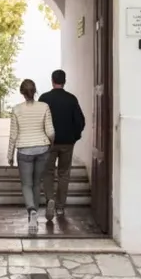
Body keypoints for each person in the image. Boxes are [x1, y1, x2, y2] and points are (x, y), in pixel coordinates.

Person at [7, 79, 55, 235]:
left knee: (26, 184)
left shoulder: (16, 109)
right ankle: (36, 211)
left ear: (22, 93)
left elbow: (13, 135)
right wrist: (50, 144)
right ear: (34, 91)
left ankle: (31, 211)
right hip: (42, 149)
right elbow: (51, 132)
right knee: (36, 183)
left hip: (24, 151)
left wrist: (10, 155)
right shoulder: (44, 107)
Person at [39, 69, 85, 222]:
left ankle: (49, 200)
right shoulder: (71, 99)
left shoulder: (44, 98)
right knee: (64, 174)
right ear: (64, 81)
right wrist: (74, 137)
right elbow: (80, 122)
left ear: (52, 80)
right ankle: (60, 207)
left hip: (49, 143)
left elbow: (40, 121)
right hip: (67, 143)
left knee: (48, 172)